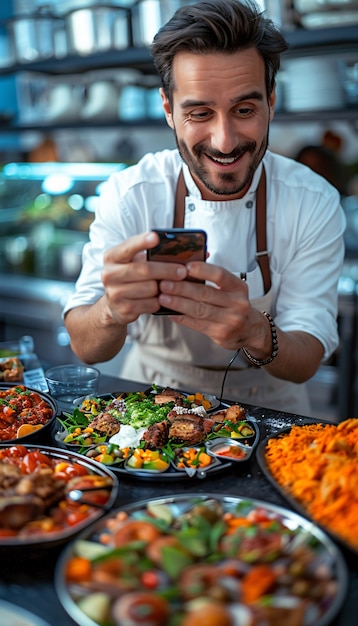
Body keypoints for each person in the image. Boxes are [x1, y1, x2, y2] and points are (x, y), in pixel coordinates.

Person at [64, 0, 346, 416]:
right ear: (168, 111)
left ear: (271, 101)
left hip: (272, 409)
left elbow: (306, 359)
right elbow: (85, 347)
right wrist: (111, 311)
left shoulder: (312, 200)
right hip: (150, 401)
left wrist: (254, 330)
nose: (225, 141)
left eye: (245, 110)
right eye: (199, 112)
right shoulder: (132, 194)